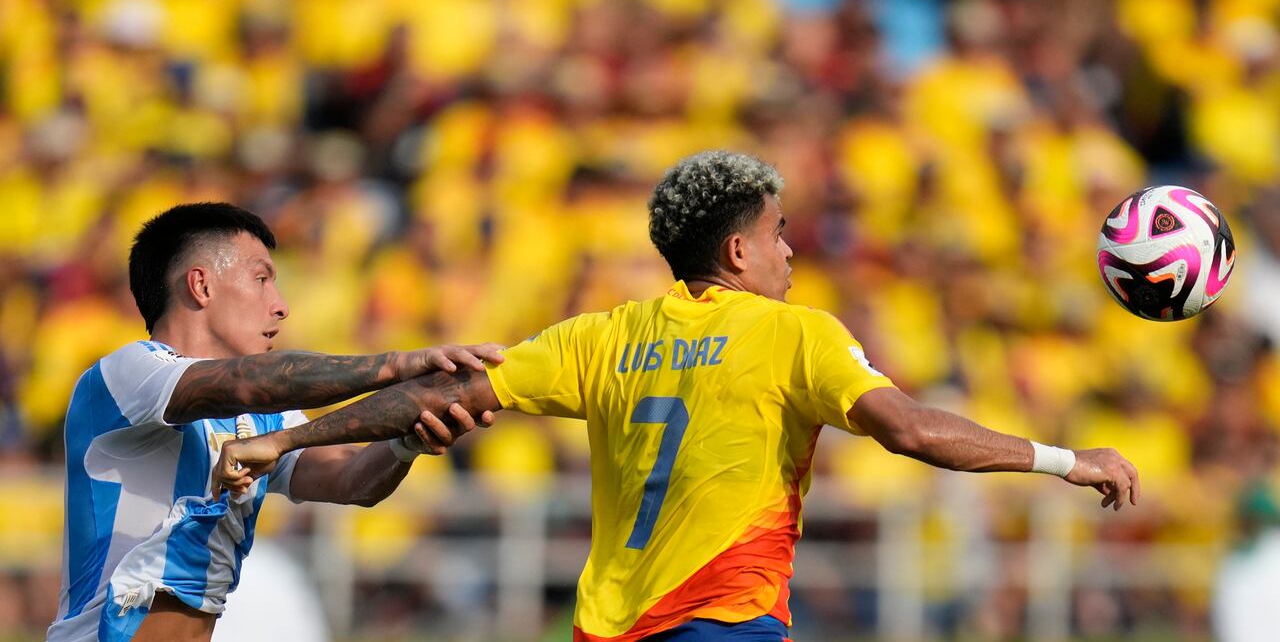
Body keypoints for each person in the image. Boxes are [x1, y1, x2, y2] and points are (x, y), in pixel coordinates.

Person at [215, 151, 1141, 642]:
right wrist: (1066, 459)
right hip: (723, 622)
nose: (791, 253)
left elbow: (440, 389)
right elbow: (911, 432)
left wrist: (277, 445)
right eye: (779, 235)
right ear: (738, 251)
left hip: (607, 628)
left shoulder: (602, 335)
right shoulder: (797, 333)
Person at [48, 202, 502, 642]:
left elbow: (350, 480)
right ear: (201, 286)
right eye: (261, 279)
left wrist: (408, 439)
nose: (281, 306)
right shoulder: (126, 374)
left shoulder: (265, 417)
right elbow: (245, 384)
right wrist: (395, 366)